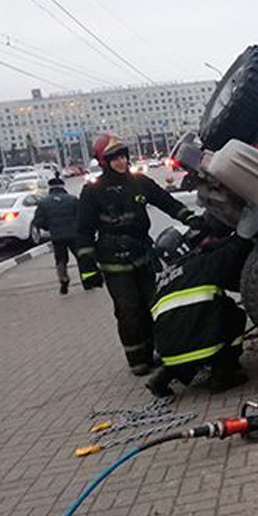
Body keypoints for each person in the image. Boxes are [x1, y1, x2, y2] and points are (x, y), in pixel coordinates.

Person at [76, 133, 204, 376]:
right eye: (114, 158)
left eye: (123, 156)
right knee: (128, 310)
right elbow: (83, 231)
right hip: (114, 261)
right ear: (104, 161)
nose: (121, 162)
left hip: (142, 255)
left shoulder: (140, 183)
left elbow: (168, 203)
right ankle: (137, 359)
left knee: (153, 304)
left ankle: (157, 351)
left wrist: (192, 219)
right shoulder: (93, 191)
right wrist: (88, 268)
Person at [145, 226, 251, 398]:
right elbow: (235, 250)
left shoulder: (161, 282)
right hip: (204, 347)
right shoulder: (201, 264)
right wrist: (249, 229)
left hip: (168, 354)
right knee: (235, 315)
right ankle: (222, 375)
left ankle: (162, 377)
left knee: (181, 338)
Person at [32, 177, 80, 294]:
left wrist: (49, 227)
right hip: (74, 234)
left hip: (57, 236)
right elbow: (82, 216)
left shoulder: (44, 203)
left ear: (50, 188)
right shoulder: (72, 199)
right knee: (81, 257)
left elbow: (38, 221)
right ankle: (87, 278)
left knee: (61, 259)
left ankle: (63, 279)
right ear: (63, 186)